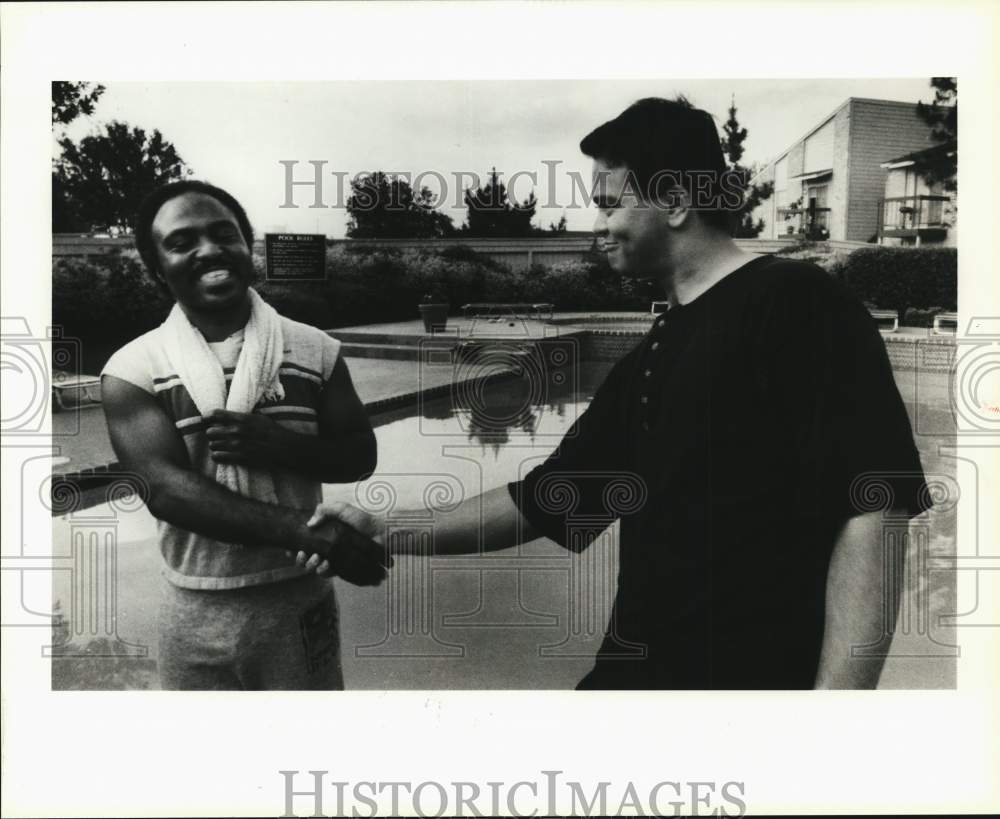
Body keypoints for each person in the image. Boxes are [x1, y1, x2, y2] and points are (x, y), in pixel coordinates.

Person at [305, 97, 930, 689]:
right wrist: (387, 527)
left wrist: (835, 717)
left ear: (677, 199)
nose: (598, 226)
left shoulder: (795, 303)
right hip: (637, 679)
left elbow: (872, 504)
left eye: (609, 204)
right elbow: (548, 500)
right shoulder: (656, 350)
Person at [101, 180, 389, 690]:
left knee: (309, 752)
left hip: (299, 599)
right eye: (182, 241)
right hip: (195, 606)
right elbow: (164, 490)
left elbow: (358, 456)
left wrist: (280, 445)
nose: (209, 249)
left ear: (246, 243)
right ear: (156, 267)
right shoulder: (134, 371)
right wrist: (305, 531)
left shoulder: (316, 352)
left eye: (223, 234)